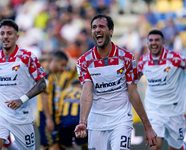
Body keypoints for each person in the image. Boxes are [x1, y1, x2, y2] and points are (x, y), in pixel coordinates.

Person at [74, 14, 157, 150]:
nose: (97, 30)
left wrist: (147, 126)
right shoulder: (84, 61)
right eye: (94, 27)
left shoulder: (126, 58)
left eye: (101, 26)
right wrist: (82, 121)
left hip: (121, 119)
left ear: (111, 31)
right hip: (96, 121)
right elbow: (87, 92)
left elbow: (133, 92)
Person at [0, 19, 46, 150]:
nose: (5, 36)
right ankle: (5, 140)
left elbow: (42, 84)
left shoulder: (27, 57)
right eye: (2, 33)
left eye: (9, 33)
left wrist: (21, 100)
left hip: (22, 115)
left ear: (17, 37)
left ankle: (9, 143)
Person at [137, 29, 186, 150]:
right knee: (155, 147)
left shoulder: (176, 59)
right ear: (147, 43)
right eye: (151, 40)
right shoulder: (143, 61)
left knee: (175, 148)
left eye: (157, 40)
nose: (154, 43)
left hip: (175, 111)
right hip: (154, 110)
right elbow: (132, 81)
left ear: (163, 43)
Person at [37, 50, 77, 150]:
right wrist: (49, 119)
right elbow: (44, 96)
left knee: (46, 146)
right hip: (45, 116)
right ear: (55, 62)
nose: (64, 68)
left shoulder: (52, 75)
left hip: (52, 115)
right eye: (62, 65)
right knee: (53, 146)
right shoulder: (46, 75)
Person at [59, 79, 88, 150]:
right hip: (79, 122)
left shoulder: (64, 92)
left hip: (65, 122)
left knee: (67, 146)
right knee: (84, 144)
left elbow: (58, 108)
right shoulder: (84, 92)